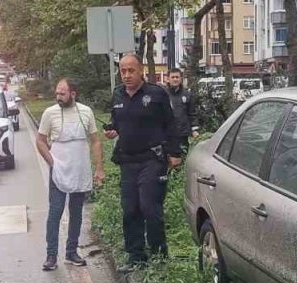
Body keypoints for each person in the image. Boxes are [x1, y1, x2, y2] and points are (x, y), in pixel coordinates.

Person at [105, 54, 182, 271]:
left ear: (141, 71)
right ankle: (136, 256)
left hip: (152, 159)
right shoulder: (117, 94)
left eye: (131, 70)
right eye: (123, 71)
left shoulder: (156, 94)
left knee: (150, 208)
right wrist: (112, 130)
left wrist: (175, 153)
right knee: (130, 209)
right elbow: (116, 121)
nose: (127, 75)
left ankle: (159, 257)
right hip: (127, 160)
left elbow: (171, 124)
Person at [37, 78, 104, 271]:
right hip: (59, 168)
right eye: (57, 93)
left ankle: (71, 252)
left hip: (80, 168)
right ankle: (51, 255)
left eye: (62, 93)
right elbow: (40, 141)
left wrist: (99, 168)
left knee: (76, 212)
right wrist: (52, 162)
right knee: (55, 211)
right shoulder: (50, 113)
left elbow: (95, 141)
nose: (58, 96)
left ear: (73, 94)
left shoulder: (86, 112)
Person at [164, 68, 198, 153]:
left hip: (184, 134)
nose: (175, 79)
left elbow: (192, 114)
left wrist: (194, 130)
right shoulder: (163, 94)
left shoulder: (187, 94)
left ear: (181, 78)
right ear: (168, 79)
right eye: (173, 77)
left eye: (177, 77)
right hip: (167, 135)